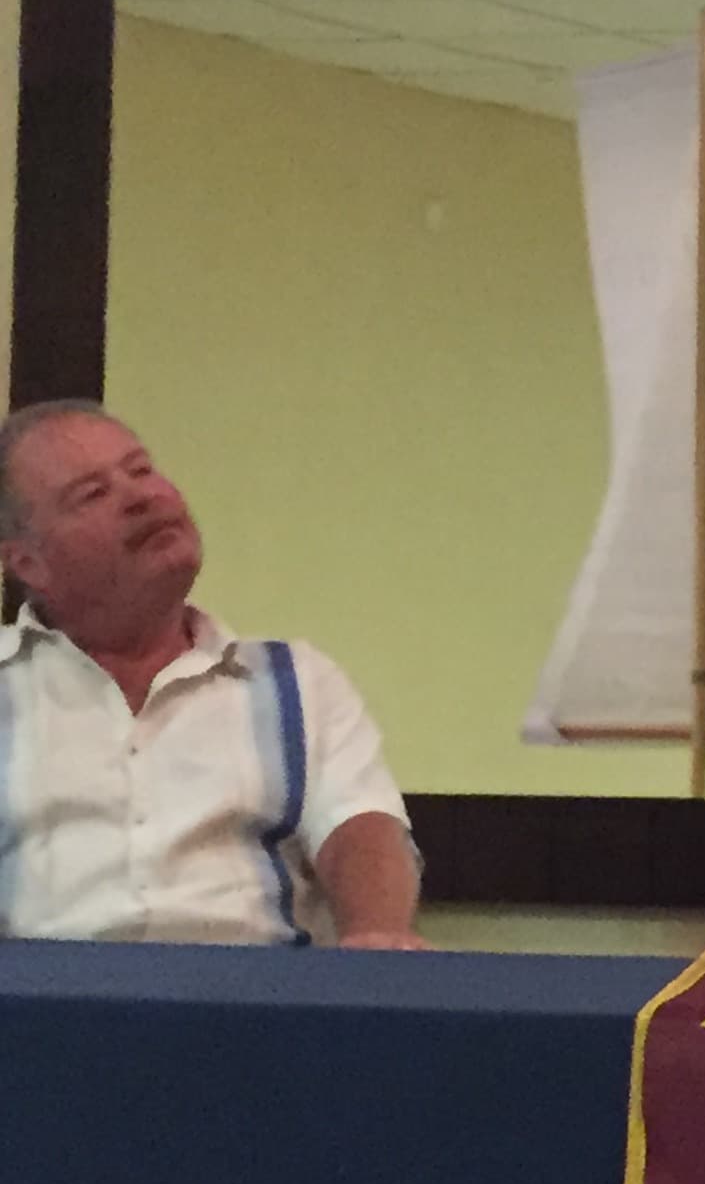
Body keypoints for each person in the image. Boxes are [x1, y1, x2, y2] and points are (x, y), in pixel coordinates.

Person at [0, 400, 425, 947]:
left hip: (259, 1007)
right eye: (94, 494)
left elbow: (359, 828)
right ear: (29, 564)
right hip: (35, 1012)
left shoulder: (297, 681)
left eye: (141, 469)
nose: (141, 497)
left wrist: (377, 932)